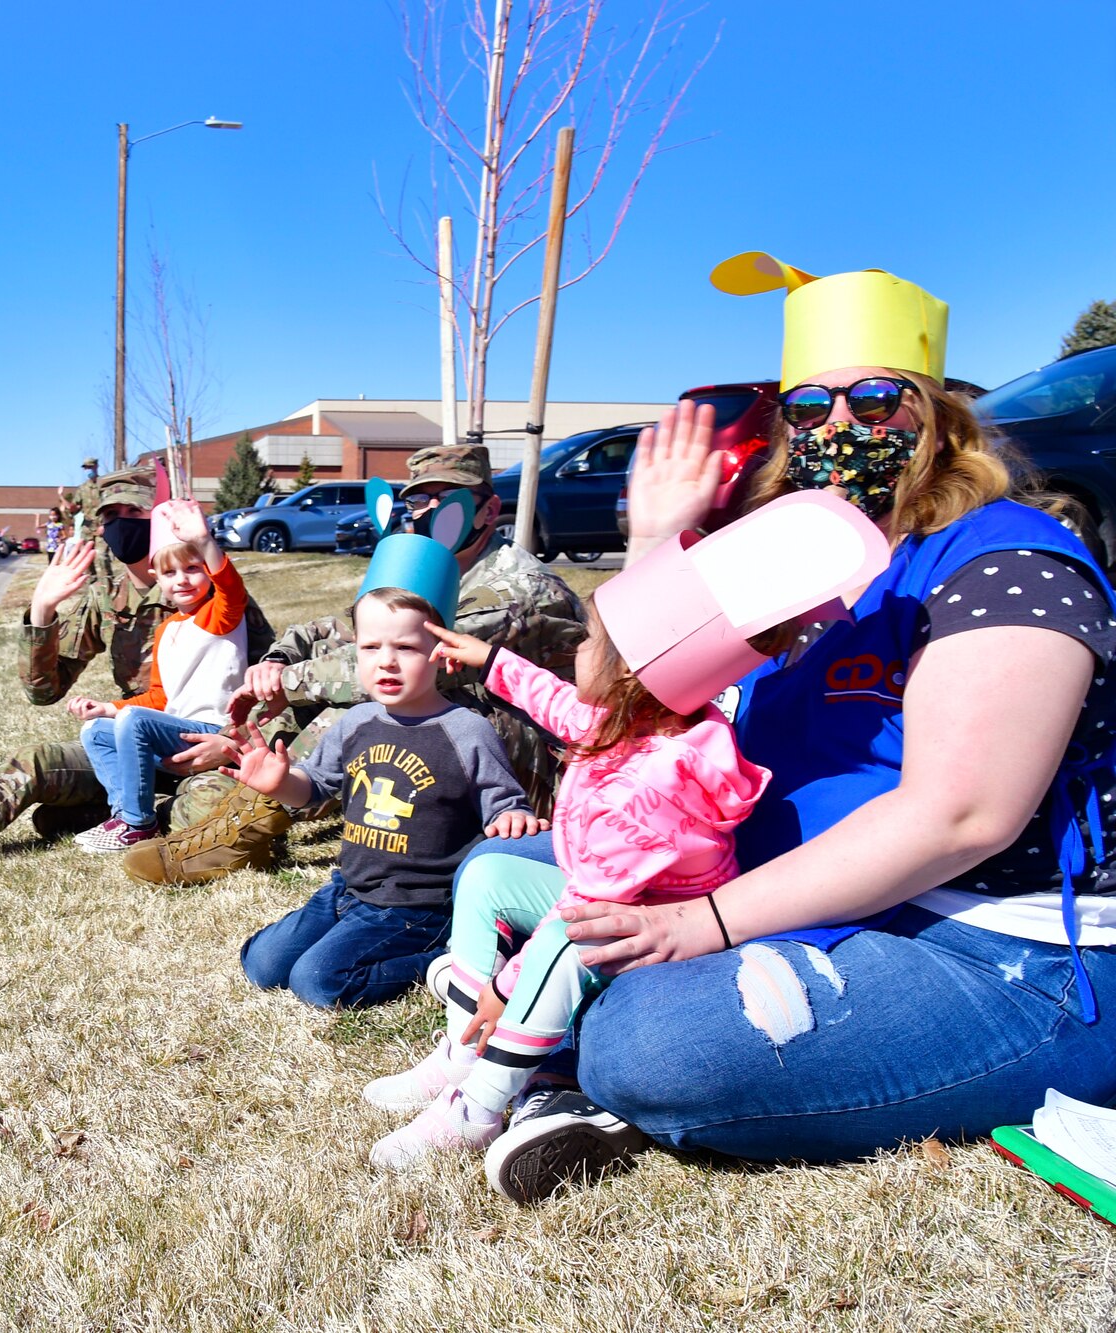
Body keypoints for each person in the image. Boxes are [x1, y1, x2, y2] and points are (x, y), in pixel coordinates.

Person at [479, 253, 1116, 1205]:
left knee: (648, 1040)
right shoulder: (790, 565)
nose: (841, 427)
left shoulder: (1009, 556)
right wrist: (657, 541)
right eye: (810, 410)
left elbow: (963, 816)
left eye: (873, 398)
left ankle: (569, 1050)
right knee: (501, 882)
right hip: (800, 899)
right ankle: (552, 1025)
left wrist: (697, 926)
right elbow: (620, 697)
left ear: (938, 414)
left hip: (1003, 951)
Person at [366, 595, 770, 1167]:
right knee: (488, 872)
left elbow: (583, 910)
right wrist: (491, 661)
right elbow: (559, 704)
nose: (576, 648)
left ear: (627, 671)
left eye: (587, 641)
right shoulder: (628, 719)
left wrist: (504, 988)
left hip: (668, 940)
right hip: (616, 902)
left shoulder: (655, 785)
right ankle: (464, 1049)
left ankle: (479, 1106)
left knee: (560, 941)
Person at [122, 442, 587, 887]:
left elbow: (422, 655)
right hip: (441, 749)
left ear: (488, 509)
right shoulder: (428, 566)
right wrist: (280, 660)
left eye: (445, 499)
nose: (426, 510)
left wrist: (290, 680)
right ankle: (210, 798)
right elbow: (338, 628)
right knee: (342, 701)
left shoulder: (516, 587)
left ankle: (243, 832)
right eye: (418, 500)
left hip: (515, 769)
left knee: (375, 698)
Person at [0, 465, 275, 901]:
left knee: (212, 812)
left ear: (161, 515)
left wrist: (231, 742)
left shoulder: (219, 595)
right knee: (35, 763)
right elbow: (44, 690)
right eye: (109, 518)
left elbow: (273, 678)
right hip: (138, 747)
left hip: (212, 753)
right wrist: (42, 611)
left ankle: (113, 819)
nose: (120, 527)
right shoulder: (108, 600)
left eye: (132, 515)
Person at [230, 578, 542, 1009]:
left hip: (419, 906)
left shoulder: (467, 731)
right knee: (261, 964)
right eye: (371, 648)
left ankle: (448, 958)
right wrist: (281, 783)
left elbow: (505, 805)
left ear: (440, 654)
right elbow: (314, 788)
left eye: (406, 648)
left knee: (319, 982)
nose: (387, 663)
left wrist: (511, 818)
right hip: (348, 889)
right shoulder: (356, 721)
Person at [70, 498, 248, 851]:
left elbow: (231, 588)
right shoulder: (166, 630)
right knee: (95, 732)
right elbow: (160, 699)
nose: (181, 580)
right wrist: (105, 708)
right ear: (157, 578)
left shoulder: (221, 615)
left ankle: (138, 824)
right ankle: (122, 812)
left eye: (192, 569)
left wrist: (204, 541)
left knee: (134, 720)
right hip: (175, 731)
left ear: (207, 571)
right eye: (169, 573)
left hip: (210, 730)